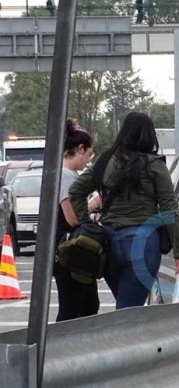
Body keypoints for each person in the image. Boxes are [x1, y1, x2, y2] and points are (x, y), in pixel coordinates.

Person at [69, 112, 179, 309]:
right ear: (150, 135)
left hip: (109, 244)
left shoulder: (105, 161)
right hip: (142, 243)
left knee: (125, 306)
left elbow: (76, 191)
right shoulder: (155, 166)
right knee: (128, 311)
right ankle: (123, 339)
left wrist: (86, 225)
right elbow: (169, 209)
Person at [54, 119, 100, 322]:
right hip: (69, 250)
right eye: (89, 154)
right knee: (73, 307)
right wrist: (93, 204)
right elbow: (72, 217)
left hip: (65, 249)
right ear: (80, 149)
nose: (88, 161)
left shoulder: (64, 174)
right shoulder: (67, 177)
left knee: (85, 303)